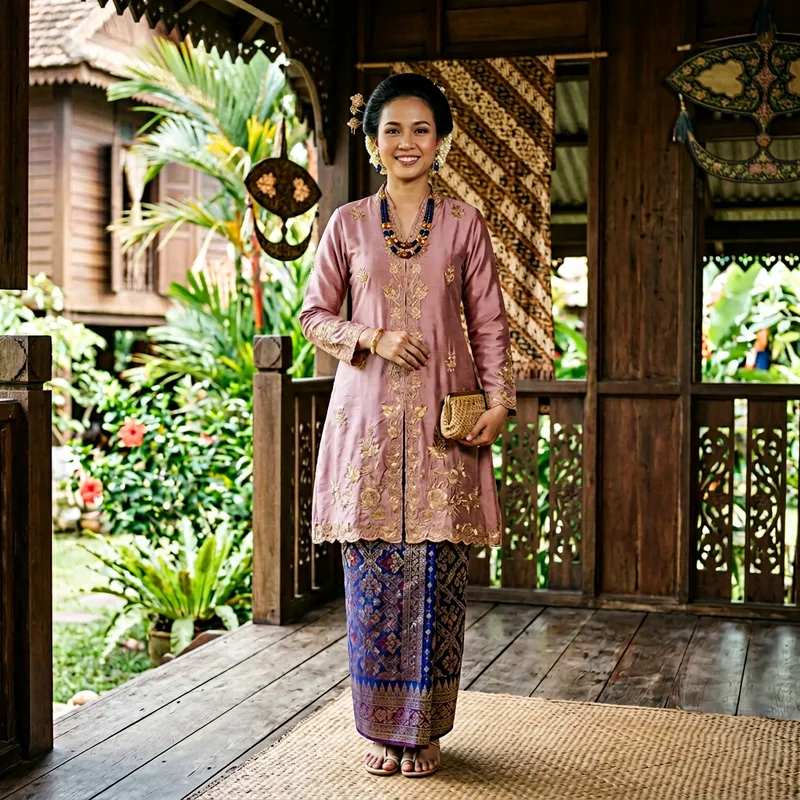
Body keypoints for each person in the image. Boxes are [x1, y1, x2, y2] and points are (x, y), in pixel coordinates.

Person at [299, 72, 516, 779]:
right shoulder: (347, 225)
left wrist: (499, 402)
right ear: (372, 144)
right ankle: (378, 727)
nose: (407, 142)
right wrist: (372, 337)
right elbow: (312, 317)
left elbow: (489, 322)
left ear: (442, 141)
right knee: (371, 588)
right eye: (392, 130)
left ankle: (423, 732)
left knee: (435, 585)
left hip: (440, 433)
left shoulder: (464, 224)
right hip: (364, 431)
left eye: (422, 129)